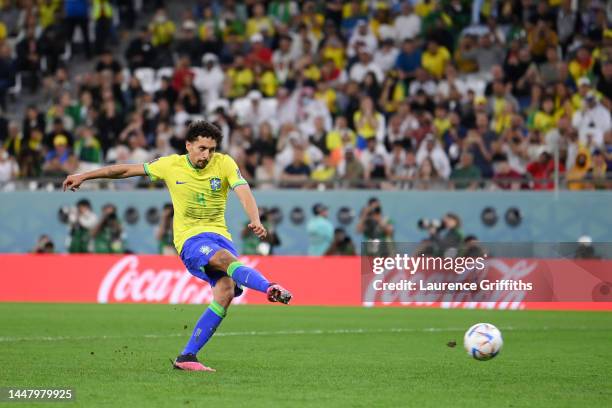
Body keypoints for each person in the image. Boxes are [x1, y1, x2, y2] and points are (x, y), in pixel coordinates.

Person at [63, 121, 292, 372]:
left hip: (220, 236)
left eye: (211, 149)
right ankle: (269, 287)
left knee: (225, 293)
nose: (207, 155)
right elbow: (125, 171)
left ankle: (187, 357)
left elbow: (243, 190)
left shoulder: (225, 163)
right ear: (188, 146)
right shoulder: (170, 165)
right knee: (226, 260)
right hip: (191, 240)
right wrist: (84, 175)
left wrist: (255, 219)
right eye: (202, 148)